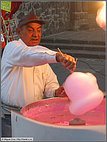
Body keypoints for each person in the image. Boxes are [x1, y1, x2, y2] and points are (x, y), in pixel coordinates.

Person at [1, 13, 76, 109]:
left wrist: (56, 91)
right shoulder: (12, 47)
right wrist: (57, 56)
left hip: (34, 111)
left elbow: (50, 82)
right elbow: (28, 55)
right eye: (30, 30)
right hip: (9, 112)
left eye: (39, 30)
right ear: (19, 32)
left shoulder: (41, 56)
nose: (36, 35)